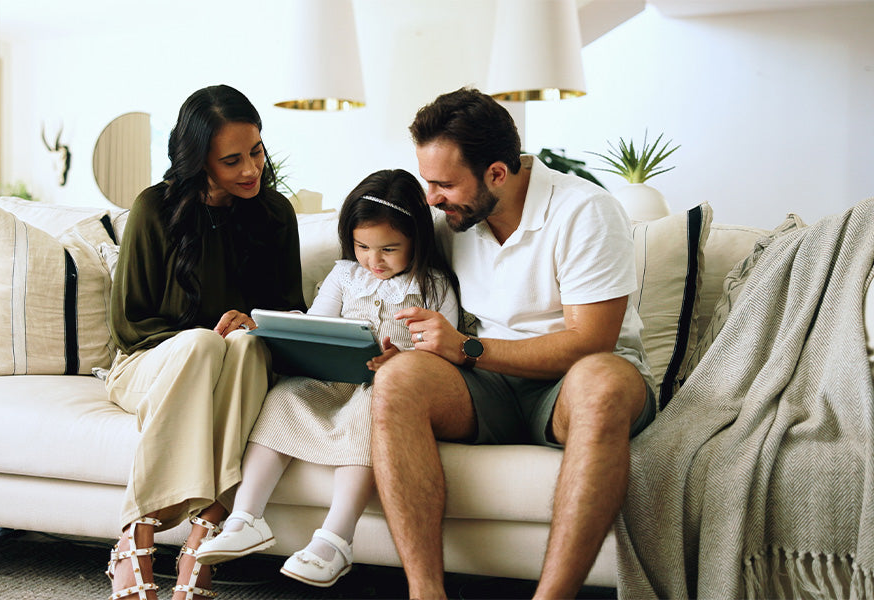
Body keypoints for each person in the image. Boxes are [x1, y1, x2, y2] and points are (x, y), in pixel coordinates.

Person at [370, 87, 658, 600]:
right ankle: (425, 594)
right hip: (489, 387)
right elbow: (378, 261)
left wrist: (466, 350)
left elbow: (591, 342)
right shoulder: (459, 219)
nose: (432, 198)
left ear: (497, 174)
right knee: (399, 380)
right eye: (426, 181)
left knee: (602, 380)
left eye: (444, 184)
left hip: (571, 385)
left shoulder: (585, 211)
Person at [193, 168, 460, 588]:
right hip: (333, 378)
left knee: (368, 413)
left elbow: (444, 352)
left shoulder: (433, 285)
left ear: (417, 241)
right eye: (363, 247)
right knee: (284, 396)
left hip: (387, 389)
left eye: (389, 248)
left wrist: (404, 358)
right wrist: (272, 329)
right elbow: (317, 324)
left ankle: (335, 539)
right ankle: (246, 518)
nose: (374, 260)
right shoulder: (345, 275)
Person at [105, 84, 306, 600]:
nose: (251, 170)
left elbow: (293, 311)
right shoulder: (154, 208)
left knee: (245, 347)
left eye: (256, 151)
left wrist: (255, 326)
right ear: (199, 161)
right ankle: (137, 530)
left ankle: (202, 536)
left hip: (236, 367)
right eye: (232, 159)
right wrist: (206, 335)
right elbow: (129, 323)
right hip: (149, 364)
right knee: (202, 345)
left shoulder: (276, 214)